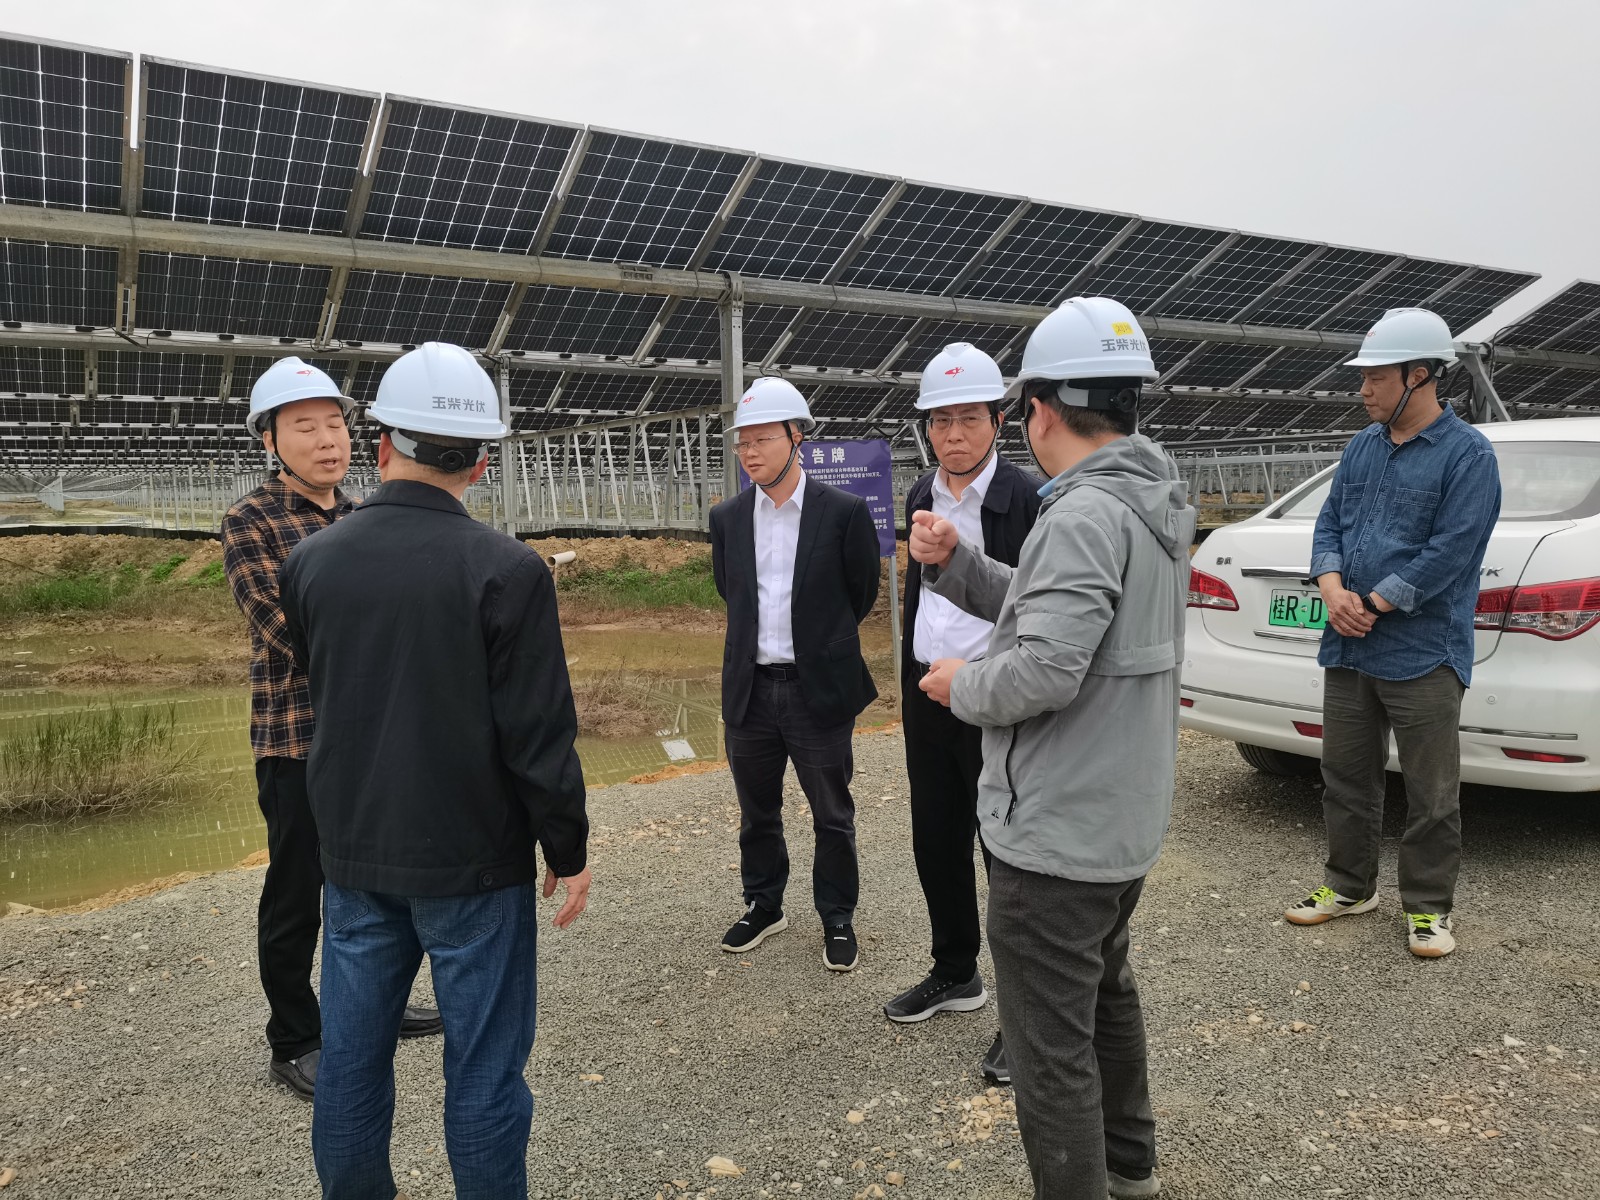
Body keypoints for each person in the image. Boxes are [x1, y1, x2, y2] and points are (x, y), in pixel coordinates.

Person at [278, 343, 591, 1199]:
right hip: (474, 861)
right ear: (481, 461)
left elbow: (326, 684)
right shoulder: (508, 571)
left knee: (351, 1061)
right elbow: (539, 736)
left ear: (381, 446)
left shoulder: (312, 562)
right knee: (484, 1071)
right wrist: (566, 846)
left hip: (355, 854)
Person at [910, 297, 1193, 1200]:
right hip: (1117, 814)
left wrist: (963, 686)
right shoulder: (1149, 498)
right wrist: (957, 563)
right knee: (1106, 997)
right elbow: (1058, 616)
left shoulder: (1081, 514)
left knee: (1049, 1049)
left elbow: (1043, 669)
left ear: (1035, 411)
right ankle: (1129, 1167)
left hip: (1057, 830)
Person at [221, 357, 441, 1102]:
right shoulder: (252, 521)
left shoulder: (365, 515)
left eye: (335, 425)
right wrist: (396, 652)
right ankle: (295, 1039)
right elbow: (286, 632)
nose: (327, 440)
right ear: (270, 440)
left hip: (375, 738)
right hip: (297, 741)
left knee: (383, 880)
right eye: (304, 427)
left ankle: (379, 1001)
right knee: (296, 891)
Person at [1286, 307, 1501, 959]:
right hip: (1349, 645)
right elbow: (1329, 524)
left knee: (1431, 793)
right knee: (1345, 777)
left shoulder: (1469, 456)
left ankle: (1428, 908)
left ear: (1419, 375)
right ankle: (1350, 886)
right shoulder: (1362, 447)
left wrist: (1375, 603)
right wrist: (1331, 589)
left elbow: (1453, 550)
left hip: (1424, 651)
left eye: (1375, 378)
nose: (1363, 390)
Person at [883, 343, 1041, 1088]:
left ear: (998, 422)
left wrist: (986, 681)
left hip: (995, 700)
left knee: (1006, 854)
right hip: (928, 695)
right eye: (940, 421)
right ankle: (955, 970)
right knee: (936, 839)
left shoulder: (1025, 500)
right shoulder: (921, 490)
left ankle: (1027, 1013)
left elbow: (1036, 609)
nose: (953, 434)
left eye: (968, 419)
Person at [710, 377, 881, 972]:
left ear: (796, 437)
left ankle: (837, 915)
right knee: (757, 811)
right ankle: (764, 904)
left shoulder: (843, 512)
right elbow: (731, 592)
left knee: (832, 813)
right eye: (743, 442)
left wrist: (818, 645)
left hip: (818, 691)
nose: (750, 451)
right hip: (751, 689)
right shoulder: (728, 518)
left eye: (762, 439)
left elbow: (860, 592)